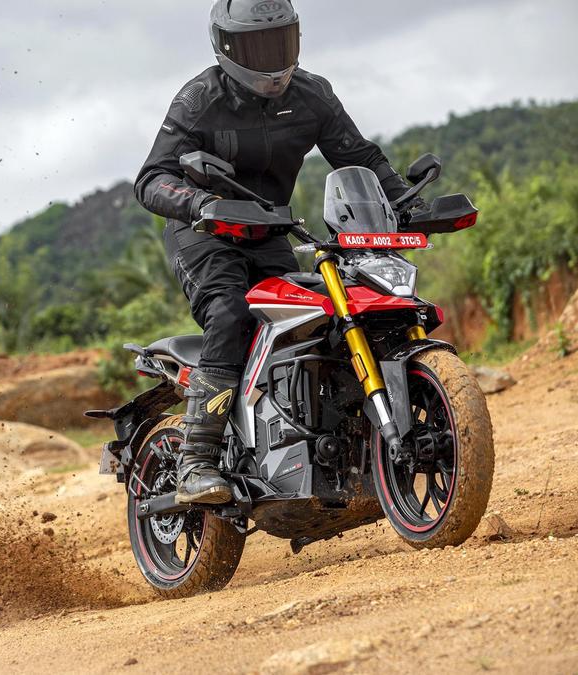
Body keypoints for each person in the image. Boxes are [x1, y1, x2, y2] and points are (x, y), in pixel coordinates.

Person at [134, 0, 419, 504]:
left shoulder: (313, 95)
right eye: (255, 46)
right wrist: (201, 203)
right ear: (225, 46)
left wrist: (404, 202)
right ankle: (197, 460)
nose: (270, 58)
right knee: (229, 312)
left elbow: (360, 157)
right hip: (203, 231)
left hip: (270, 231)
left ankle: (325, 443)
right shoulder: (199, 100)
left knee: (315, 317)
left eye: (279, 41)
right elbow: (152, 178)